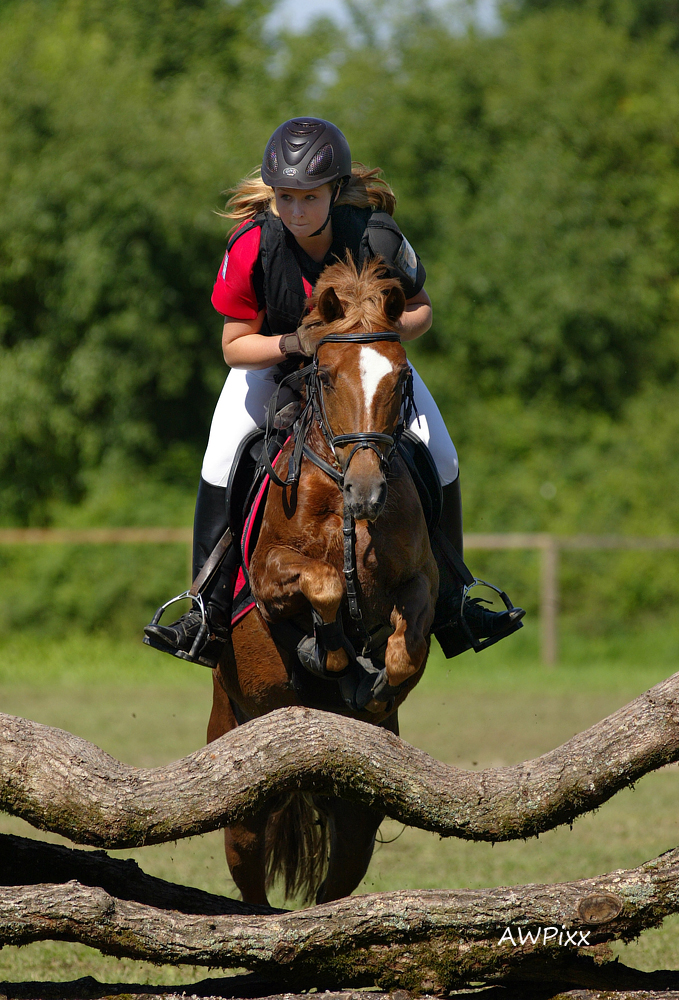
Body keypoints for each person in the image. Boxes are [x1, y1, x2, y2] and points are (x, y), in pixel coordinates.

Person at [144, 117, 524, 668]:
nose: (296, 211)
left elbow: (422, 310)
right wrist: (295, 340)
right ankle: (205, 606)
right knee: (222, 454)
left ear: (334, 191)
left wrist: (376, 331)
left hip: (363, 370)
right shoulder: (253, 244)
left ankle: (456, 600)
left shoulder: (376, 235)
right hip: (272, 365)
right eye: (286, 198)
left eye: (309, 198)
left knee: (440, 453)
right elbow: (233, 346)